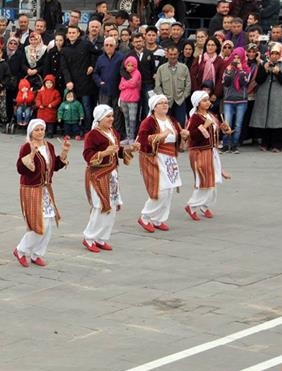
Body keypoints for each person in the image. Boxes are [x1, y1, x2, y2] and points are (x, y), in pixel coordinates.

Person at [14, 119, 70, 267]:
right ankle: (21, 250)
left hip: (45, 189)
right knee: (39, 224)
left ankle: (37, 253)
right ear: (31, 132)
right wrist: (31, 155)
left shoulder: (49, 146)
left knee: (49, 224)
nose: (40, 132)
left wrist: (64, 152)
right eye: (37, 130)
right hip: (31, 188)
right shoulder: (27, 147)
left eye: (42, 129)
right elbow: (20, 168)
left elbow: (55, 166)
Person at [81, 105, 137, 253]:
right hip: (97, 175)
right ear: (99, 119)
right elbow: (87, 156)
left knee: (112, 206)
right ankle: (89, 237)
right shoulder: (92, 135)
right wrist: (104, 152)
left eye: (112, 116)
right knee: (100, 206)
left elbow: (117, 152)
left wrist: (129, 149)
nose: (111, 119)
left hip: (111, 174)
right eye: (108, 116)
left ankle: (101, 237)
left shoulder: (114, 132)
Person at [137, 95, 189, 232]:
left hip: (170, 158)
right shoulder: (148, 122)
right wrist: (159, 136)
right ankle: (145, 216)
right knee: (160, 190)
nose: (165, 105)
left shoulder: (171, 120)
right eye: (161, 103)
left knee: (169, 189)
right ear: (154, 107)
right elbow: (141, 140)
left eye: (166, 102)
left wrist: (183, 135)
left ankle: (158, 219)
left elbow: (179, 140)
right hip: (154, 158)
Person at [184, 91, 232, 221]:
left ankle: (204, 205)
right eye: (204, 100)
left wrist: (223, 129)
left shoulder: (211, 115)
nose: (207, 102)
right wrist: (204, 126)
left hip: (211, 151)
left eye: (208, 100)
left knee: (214, 180)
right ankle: (192, 205)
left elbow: (215, 134)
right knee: (204, 180)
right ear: (197, 103)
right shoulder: (195, 118)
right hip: (199, 152)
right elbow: (191, 135)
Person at [250, 43, 282, 152]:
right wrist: (264, 70)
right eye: (272, 53)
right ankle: (265, 143)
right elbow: (258, 80)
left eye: (277, 53)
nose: (274, 56)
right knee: (265, 119)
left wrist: (278, 74)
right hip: (264, 94)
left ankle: (277, 144)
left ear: (280, 54)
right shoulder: (263, 64)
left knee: (277, 120)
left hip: (278, 96)